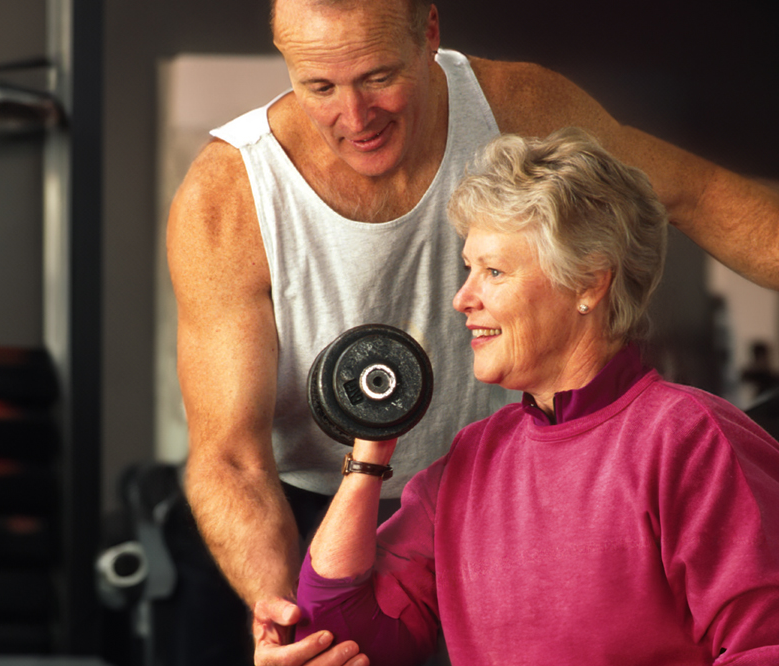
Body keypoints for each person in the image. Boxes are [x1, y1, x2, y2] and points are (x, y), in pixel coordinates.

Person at [165, 0, 779, 663]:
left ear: (429, 32)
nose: (354, 115)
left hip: (511, 478)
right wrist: (292, 624)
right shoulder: (228, 195)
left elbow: (692, 193)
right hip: (319, 509)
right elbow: (230, 458)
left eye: (377, 76)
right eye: (320, 86)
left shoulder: (684, 442)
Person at [295, 128, 779, 665]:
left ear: (589, 284)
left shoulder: (689, 439)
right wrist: (373, 446)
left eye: (494, 272)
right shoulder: (472, 462)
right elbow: (343, 634)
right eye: (468, 269)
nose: (462, 298)